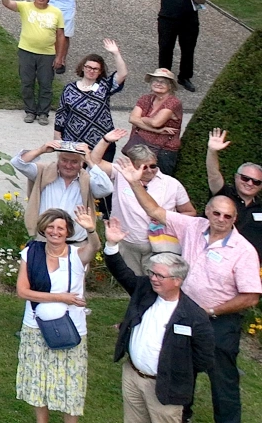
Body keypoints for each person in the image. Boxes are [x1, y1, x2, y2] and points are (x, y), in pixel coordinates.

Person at [116, 157, 260, 423]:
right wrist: (133, 182)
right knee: (182, 366)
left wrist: (213, 311)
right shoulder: (193, 227)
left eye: (228, 216)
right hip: (185, 314)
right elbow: (155, 210)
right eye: (216, 213)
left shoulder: (243, 251)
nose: (221, 219)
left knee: (222, 375)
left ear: (235, 219)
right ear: (207, 212)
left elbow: (251, 296)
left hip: (218, 320)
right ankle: (185, 412)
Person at [103, 216, 214, 423]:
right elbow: (122, 273)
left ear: (177, 280)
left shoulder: (194, 317)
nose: (153, 278)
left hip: (165, 384)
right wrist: (113, 244)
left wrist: (176, 373)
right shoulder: (144, 291)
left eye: (159, 275)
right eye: (152, 273)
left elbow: (203, 358)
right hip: (134, 374)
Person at [14, 208, 91, 423]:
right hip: (36, 326)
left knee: (71, 384)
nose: (55, 231)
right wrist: (60, 297)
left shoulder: (78, 255)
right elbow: (23, 291)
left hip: (70, 330)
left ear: (68, 231)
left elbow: (95, 245)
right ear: (43, 228)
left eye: (60, 228)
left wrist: (91, 229)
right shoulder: (31, 252)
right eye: (50, 226)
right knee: (38, 378)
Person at [14, 136, 115, 265]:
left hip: (76, 245)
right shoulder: (44, 172)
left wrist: (90, 160)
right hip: (45, 242)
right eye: (64, 160)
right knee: (39, 282)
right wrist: (41, 150)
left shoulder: (87, 179)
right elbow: (18, 162)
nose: (68, 165)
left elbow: (106, 189)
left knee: (73, 284)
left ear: (81, 163)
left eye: (74, 162)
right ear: (58, 160)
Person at [100, 143, 196, 274]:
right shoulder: (121, 173)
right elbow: (95, 161)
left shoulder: (172, 184)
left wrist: (167, 219)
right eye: (144, 167)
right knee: (130, 284)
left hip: (159, 245)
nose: (150, 170)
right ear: (133, 165)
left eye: (153, 166)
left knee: (156, 285)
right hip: (127, 242)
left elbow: (190, 212)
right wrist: (106, 140)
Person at [0, 0, 67, 123]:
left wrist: (59, 57)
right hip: (26, 51)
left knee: (46, 84)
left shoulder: (56, 12)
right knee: (27, 82)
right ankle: (30, 111)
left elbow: (61, 36)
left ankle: (43, 113)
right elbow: (6, 3)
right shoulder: (25, 6)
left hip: (47, 54)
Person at [140, 0, 205, 92]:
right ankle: (164, 76)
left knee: (188, 49)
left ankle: (184, 77)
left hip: (189, 21)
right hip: (167, 19)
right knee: (165, 48)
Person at [52, 39, 128, 152]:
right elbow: (61, 113)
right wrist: (57, 135)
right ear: (83, 67)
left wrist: (116, 53)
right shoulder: (69, 88)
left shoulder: (104, 86)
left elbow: (123, 74)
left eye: (95, 68)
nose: (91, 71)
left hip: (102, 143)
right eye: (88, 67)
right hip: (75, 141)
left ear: (100, 71)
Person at [204, 128, 262, 253]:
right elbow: (213, 175)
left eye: (256, 181)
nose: (250, 183)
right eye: (245, 178)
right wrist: (212, 151)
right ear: (236, 177)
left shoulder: (260, 207)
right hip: (218, 257)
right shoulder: (224, 194)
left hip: (250, 265)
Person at [125, 68, 183, 175]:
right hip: (139, 148)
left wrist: (142, 119)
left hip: (162, 151)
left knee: (158, 184)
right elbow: (132, 119)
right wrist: (157, 131)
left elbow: (156, 123)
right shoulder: (145, 98)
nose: (158, 84)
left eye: (163, 82)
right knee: (134, 179)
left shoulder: (173, 102)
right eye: (155, 80)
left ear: (170, 86)